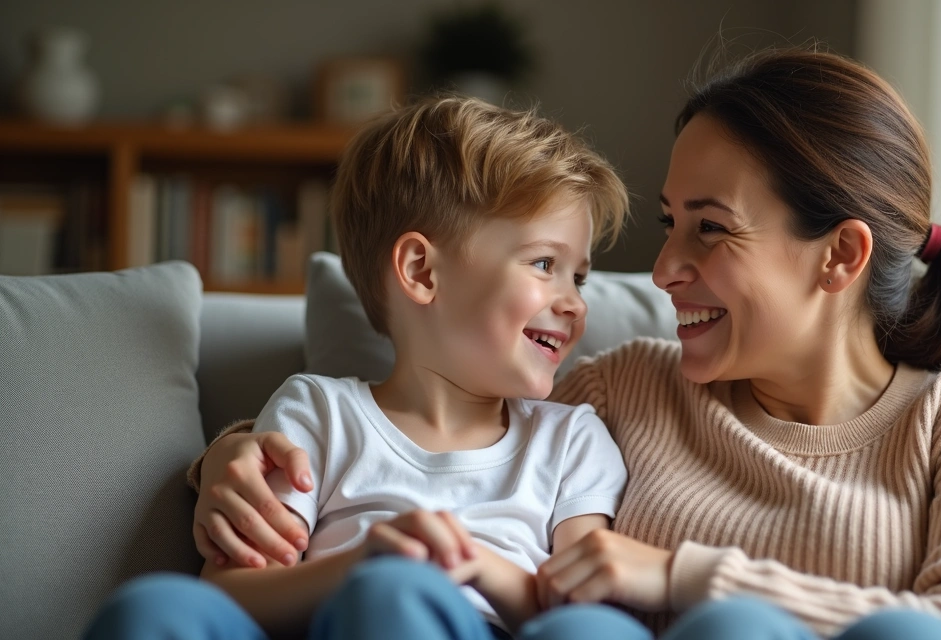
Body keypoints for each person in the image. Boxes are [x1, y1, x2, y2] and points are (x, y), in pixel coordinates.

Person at [183, 48, 941, 640]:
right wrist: (229, 462)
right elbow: (446, 427)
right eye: (667, 225)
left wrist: (683, 577)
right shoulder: (622, 393)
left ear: (840, 255)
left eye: (710, 229)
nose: (660, 271)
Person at [85, 96, 632, 639]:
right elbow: (229, 592)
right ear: (420, 270)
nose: (574, 302)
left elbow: (581, 606)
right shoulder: (319, 413)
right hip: (337, 620)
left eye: (578, 277)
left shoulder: (570, 441)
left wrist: (472, 568)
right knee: (151, 608)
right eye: (544, 265)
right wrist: (358, 565)